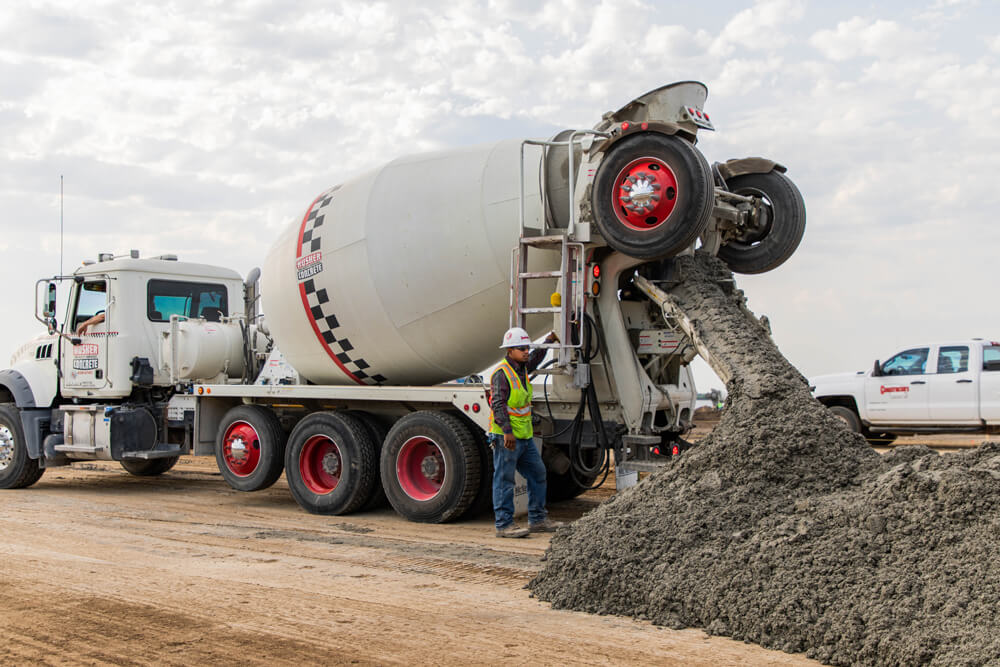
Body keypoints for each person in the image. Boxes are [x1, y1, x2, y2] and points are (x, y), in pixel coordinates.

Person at [488, 326, 565, 538]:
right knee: (504, 480)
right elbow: (497, 404)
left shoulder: (521, 368)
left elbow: (536, 359)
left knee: (538, 473)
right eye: (521, 348)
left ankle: (538, 520)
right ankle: (504, 525)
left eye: (527, 347)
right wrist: (507, 432)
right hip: (508, 437)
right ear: (510, 350)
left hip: (524, 436)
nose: (526, 351)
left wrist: (549, 340)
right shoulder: (502, 374)